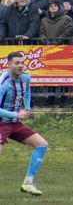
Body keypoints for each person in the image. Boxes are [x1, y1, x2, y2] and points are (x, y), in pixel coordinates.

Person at [0, 52, 49, 196]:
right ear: (8, 64)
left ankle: (28, 183)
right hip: (2, 123)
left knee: (42, 144)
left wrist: (27, 108)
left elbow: (27, 91)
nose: (20, 66)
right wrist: (17, 114)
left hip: (15, 123)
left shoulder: (26, 77)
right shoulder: (3, 83)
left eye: (22, 62)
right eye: (16, 63)